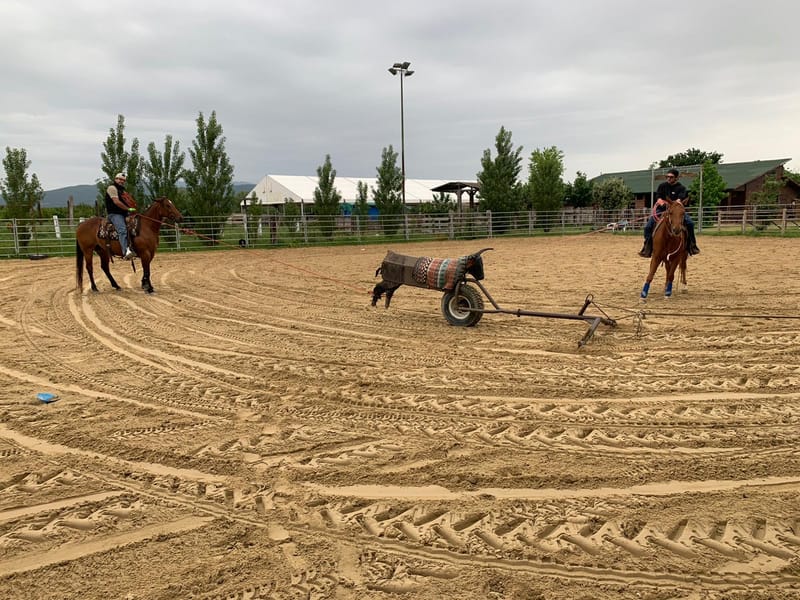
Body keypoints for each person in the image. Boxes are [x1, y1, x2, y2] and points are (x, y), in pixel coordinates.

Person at [638, 168, 700, 257]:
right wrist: (661, 202)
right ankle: (647, 247)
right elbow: (658, 197)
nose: (668, 178)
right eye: (667, 177)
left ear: (676, 178)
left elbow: (679, 200)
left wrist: (672, 204)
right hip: (662, 209)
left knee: (690, 223)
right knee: (648, 227)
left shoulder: (681, 188)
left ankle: (692, 245)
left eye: (671, 177)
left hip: (676, 210)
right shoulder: (662, 186)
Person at [105, 172, 137, 260]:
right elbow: (116, 201)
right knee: (122, 230)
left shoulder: (122, 191)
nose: (121, 181)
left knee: (135, 227)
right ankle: (125, 252)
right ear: (115, 179)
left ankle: (135, 248)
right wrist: (128, 209)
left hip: (123, 214)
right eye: (120, 179)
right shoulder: (112, 188)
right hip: (114, 214)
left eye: (123, 180)